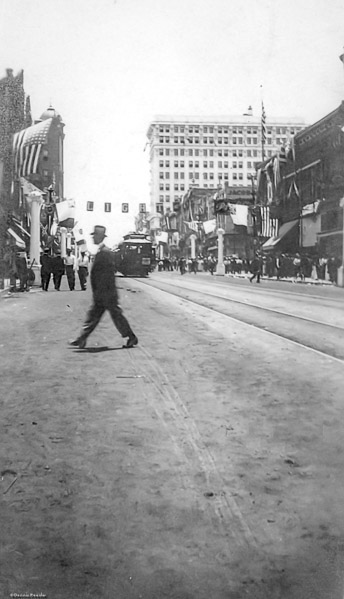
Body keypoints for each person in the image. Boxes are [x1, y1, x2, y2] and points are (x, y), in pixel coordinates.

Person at [69, 225, 138, 350]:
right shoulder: (102, 252)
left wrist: (101, 292)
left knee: (110, 316)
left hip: (106, 293)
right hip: (104, 292)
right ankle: (82, 338)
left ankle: (131, 336)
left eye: (94, 235)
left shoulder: (105, 253)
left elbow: (107, 275)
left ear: (100, 236)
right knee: (97, 316)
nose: (92, 238)